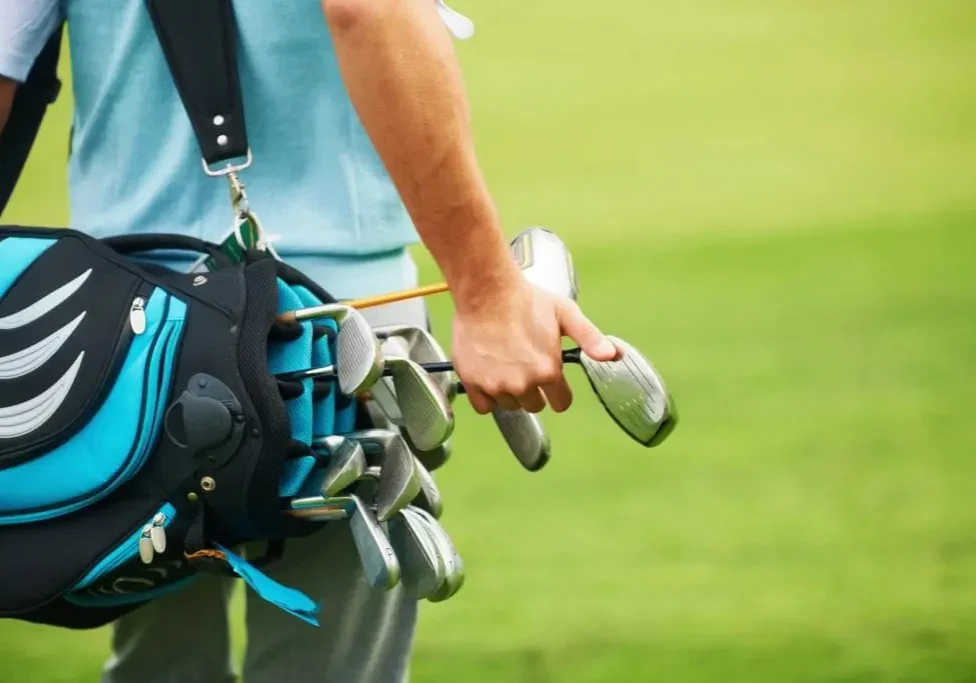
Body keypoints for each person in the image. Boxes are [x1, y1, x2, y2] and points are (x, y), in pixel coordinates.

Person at [0, 0, 619, 681]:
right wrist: (486, 291)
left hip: (127, 338)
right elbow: (367, 9)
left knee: (160, 667)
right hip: (333, 335)